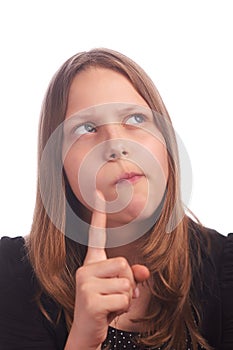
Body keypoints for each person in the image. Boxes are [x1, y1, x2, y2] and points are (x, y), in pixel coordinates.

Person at [0, 48, 232, 350]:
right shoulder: (11, 275)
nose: (116, 145)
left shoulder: (224, 265)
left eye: (136, 118)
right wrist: (85, 338)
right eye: (87, 128)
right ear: (58, 166)